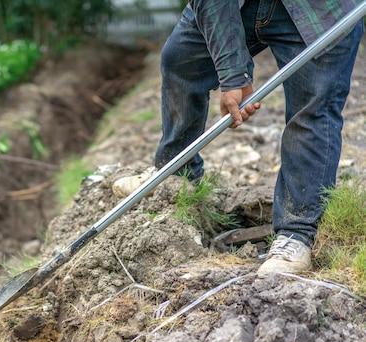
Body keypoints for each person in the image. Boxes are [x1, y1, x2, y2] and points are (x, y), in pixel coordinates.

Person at [115, 0, 364, 273]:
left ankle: (297, 233)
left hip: (317, 9)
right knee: (181, 60)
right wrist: (233, 74)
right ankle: (177, 175)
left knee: (313, 109)